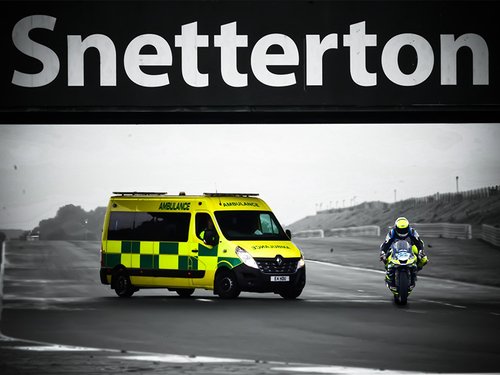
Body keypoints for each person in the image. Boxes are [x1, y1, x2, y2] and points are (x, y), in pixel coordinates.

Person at [379, 217, 428, 286]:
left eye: (404, 229)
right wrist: (383, 253)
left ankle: (415, 270)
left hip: (410, 248)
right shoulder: (392, 233)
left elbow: (419, 242)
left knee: (424, 259)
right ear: (396, 228)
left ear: (408, 227)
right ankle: (389, 272)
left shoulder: (412, 232)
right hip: (395, 248)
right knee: (385, 257)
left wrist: (420, 251)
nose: (402, 231)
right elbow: (386, 244)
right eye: (400, 229)